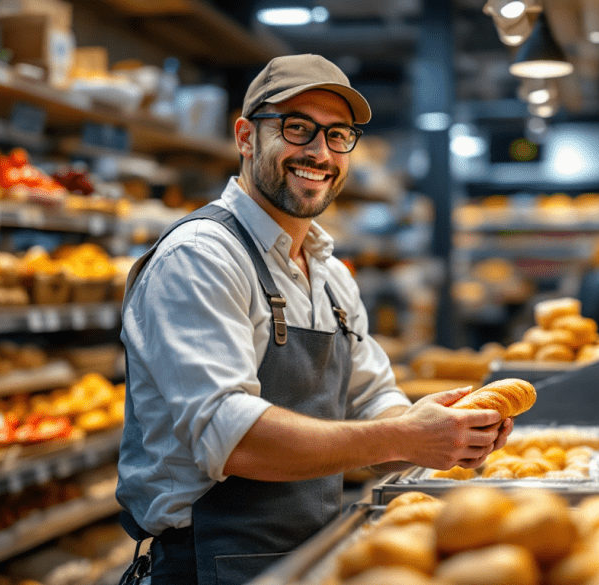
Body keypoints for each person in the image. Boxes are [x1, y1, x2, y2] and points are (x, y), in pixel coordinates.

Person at [115, 54, 514, 585]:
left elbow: (372, 402)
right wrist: (404, 437)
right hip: (205, 566)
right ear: (245, 137)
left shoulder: (329, 273)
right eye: (297, 128)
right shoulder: (200, 257)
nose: (320, 153)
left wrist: (445, 431)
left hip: (309, 557)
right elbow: (234, 439)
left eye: (338, 135)